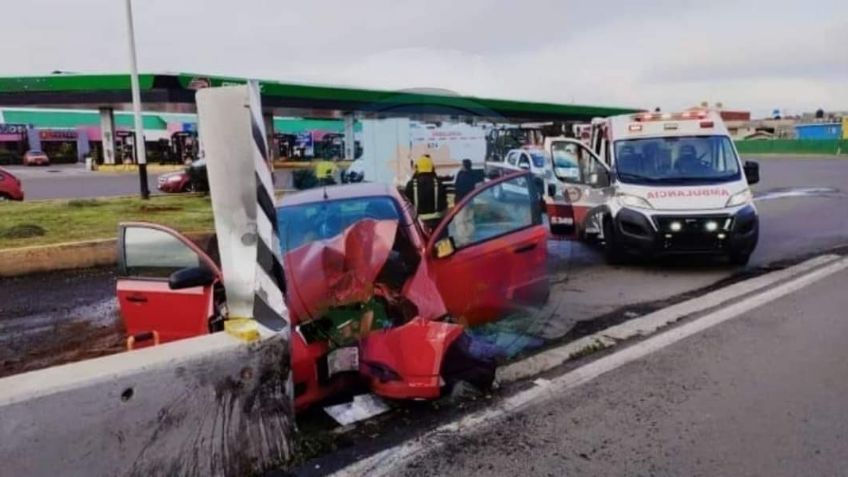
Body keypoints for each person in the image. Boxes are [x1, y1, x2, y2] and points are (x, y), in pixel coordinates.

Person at [404, 154, 447, 231]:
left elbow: (407, 204)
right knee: (442, 241)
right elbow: (443, 204)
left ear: (417, 168)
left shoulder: (411, 184)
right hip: (437, 222)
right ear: (432, 167)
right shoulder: (438, 183)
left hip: (418, 223)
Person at [453, 159, 480, 246]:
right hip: (470, 200)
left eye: (462, 165)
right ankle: (471, 238)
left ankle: (463, 241)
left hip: (461, 201)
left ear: (464, 166)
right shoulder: (472, 174)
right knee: (469, 219)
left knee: (460, 221)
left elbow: (457, 187)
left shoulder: (461, 174)